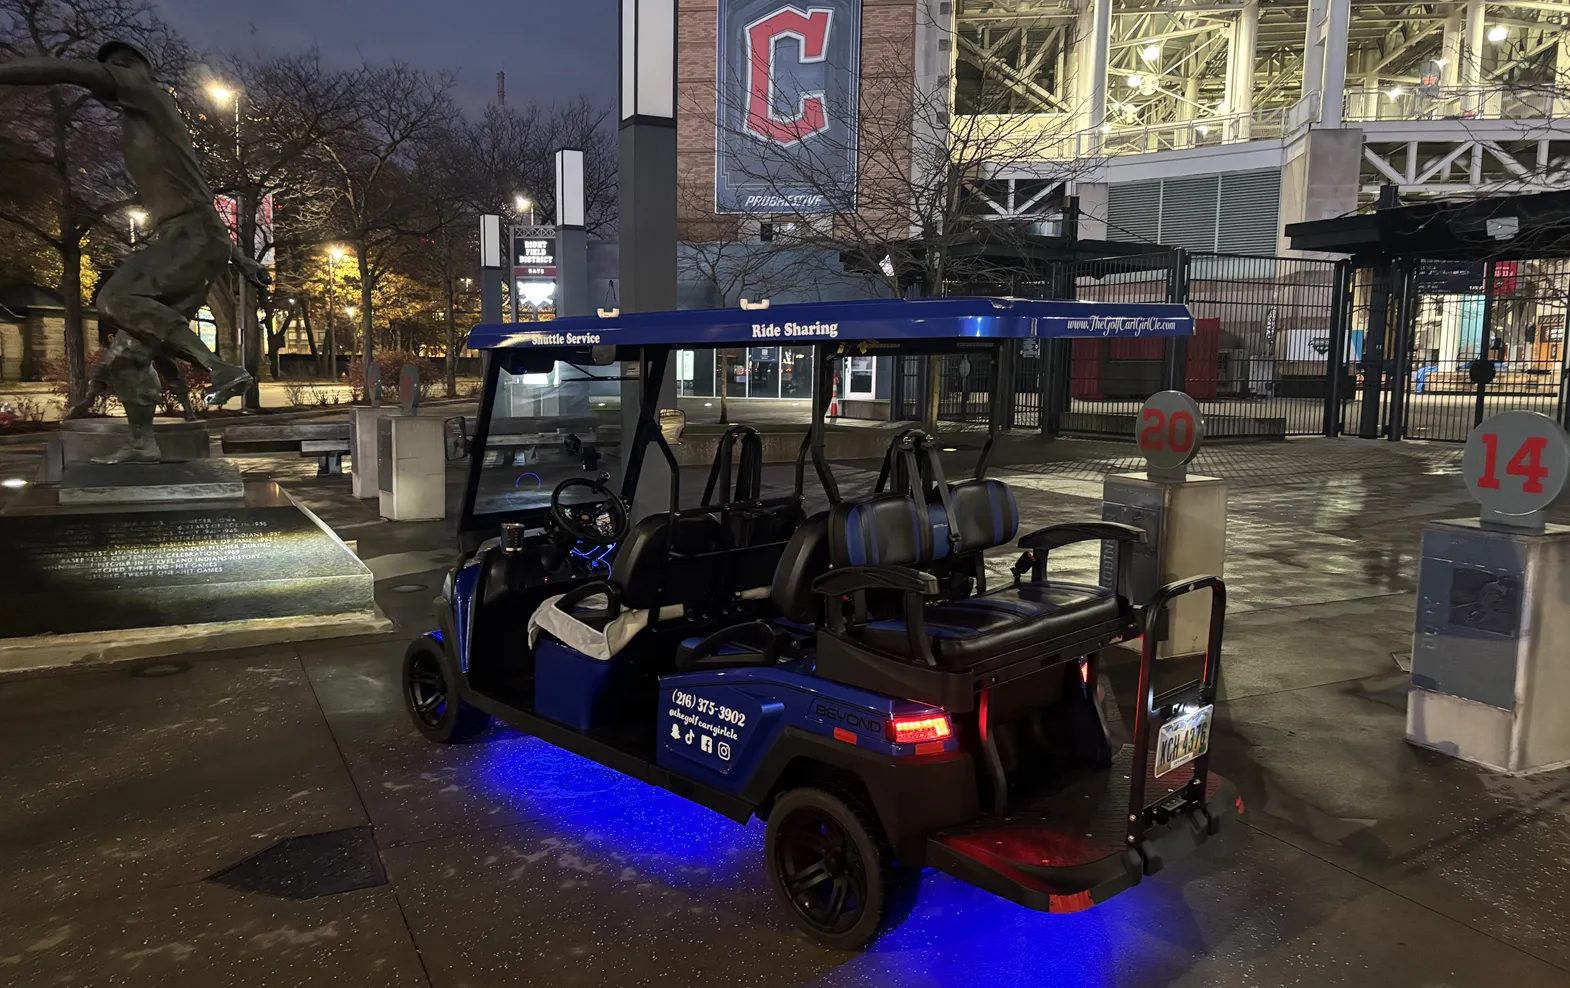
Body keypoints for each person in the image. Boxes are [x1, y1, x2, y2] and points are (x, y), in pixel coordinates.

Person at [0, 40, 264, 462]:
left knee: (115, 298)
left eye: (121, 65)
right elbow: (197, 197)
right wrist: (241, 258)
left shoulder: (149, 96)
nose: (112, 72)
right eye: (110, 67)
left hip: (191, 236)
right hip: (193, 238)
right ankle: (143, 443)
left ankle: (219, 367)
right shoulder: (145, 120)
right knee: (127, 356)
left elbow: (65, 70)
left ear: (140, 69)